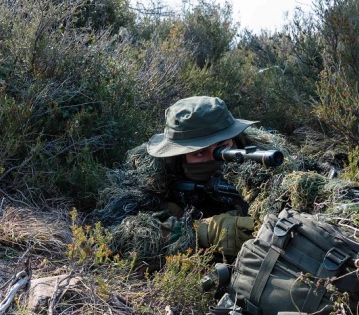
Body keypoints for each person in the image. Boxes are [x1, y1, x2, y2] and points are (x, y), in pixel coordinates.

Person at [93, 95, 270, 267]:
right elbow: (116, 239)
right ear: (177, 157)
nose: (214, 159)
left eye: (223, 147)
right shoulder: (152, 177)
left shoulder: (264, 161)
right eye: (200, 152)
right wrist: (203, 233)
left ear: (235, 139)